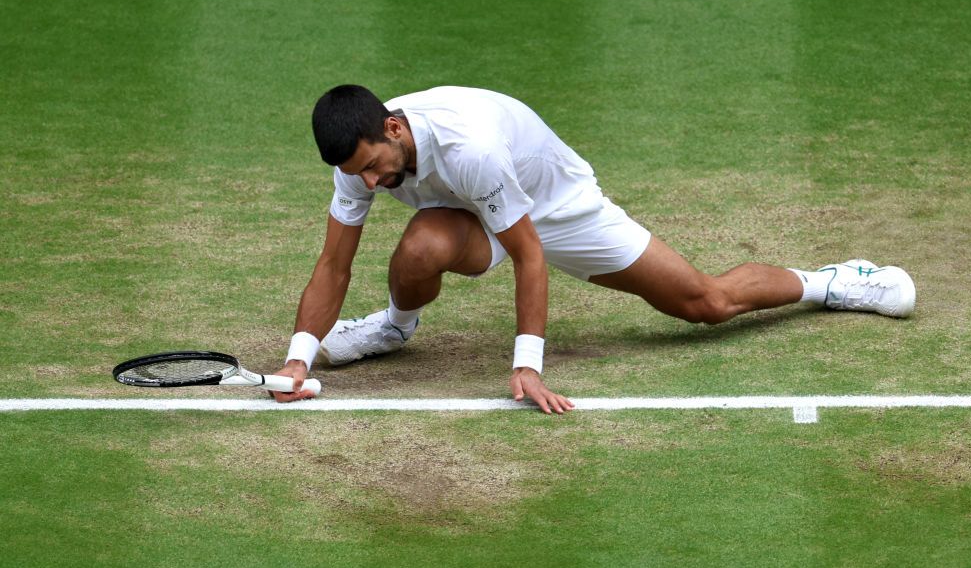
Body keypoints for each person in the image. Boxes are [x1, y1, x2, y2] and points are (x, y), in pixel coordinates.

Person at [271, 85, 916, 411]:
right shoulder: (356, 160)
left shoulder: (472, 149)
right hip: (469, 212)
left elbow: (530, 253)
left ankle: (830, 280)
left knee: (704, 302)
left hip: (553, 208)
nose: (370, 183)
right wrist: (301, 360)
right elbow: (335, 262)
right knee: (419, 245)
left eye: (374, 166)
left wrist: (529, 364)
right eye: (356, 173)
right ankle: (392, 328)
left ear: (393, 127)